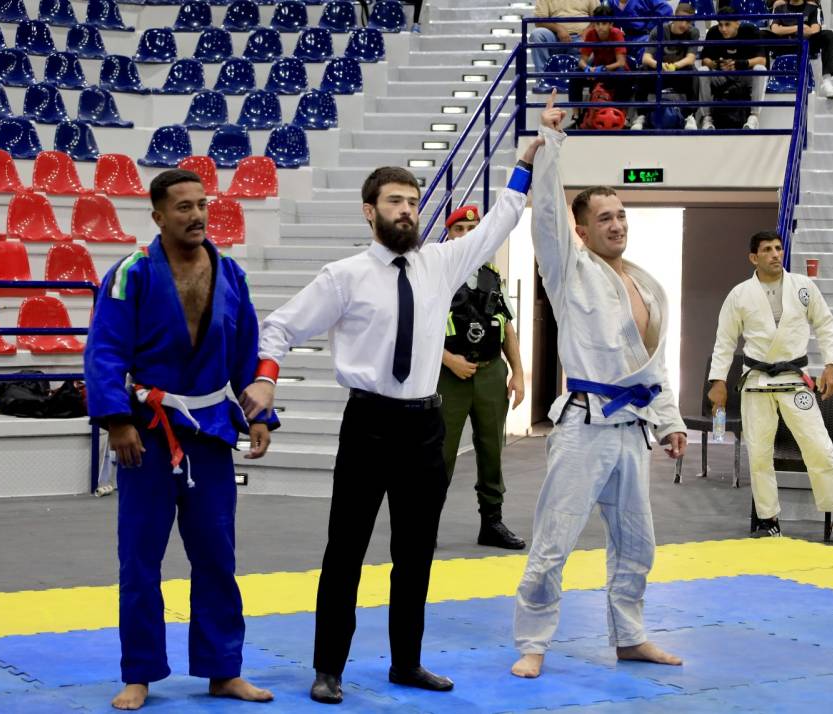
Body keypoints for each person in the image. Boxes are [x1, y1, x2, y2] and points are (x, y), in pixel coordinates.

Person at [239, 146, 542, 704]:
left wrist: (524, 165)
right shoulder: (344, 277)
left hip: (424, 425)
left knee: (416, 552)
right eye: (395, 201)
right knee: (345, 550)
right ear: (369, 211)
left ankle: (407, 662)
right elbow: (278, 327)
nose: (406, 211)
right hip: (369, 423)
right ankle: (328, 668)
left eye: (413, 202)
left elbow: (498, 222)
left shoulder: (441, 264)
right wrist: (266, 378)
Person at [84, 169, 278, 711]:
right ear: (158, 216)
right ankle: (139, 674)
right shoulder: (131, 274)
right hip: (147, 433)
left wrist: (260, 415)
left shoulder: (230, 274)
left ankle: (223, 670)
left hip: (210, 432)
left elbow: (247, 350)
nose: (197, 216)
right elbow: (104, 350)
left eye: (202, 205)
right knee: (139, 560)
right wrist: (117, 421)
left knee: (217, 555)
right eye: (183, 207)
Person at [511, 92, 688, 680]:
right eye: (604, 218)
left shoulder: (646, 286)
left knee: (638, 543)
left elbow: (652, 367)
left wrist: (670, 420)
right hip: (584, 425)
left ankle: (630, 637)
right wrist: (551, 144)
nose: (617, 224)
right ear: (582, 231)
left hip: (633, 429)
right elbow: (546, 219)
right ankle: (533, 642)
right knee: (553, 540)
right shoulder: (569, 271)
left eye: (621, 215)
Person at [706, 231, 833, 548]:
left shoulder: (803, 286)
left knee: (819, 446)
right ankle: (769, 519)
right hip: (756, 380)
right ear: (754, 257)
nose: (776, 254)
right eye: (767, 250)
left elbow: (825, 323)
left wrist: (831, 364)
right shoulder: (740, 294)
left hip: (794, 379)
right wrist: (717, 381)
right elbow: (725, 340)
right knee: (759, 453)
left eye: (778, 248)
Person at [438, 205, 527, 550]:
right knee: (441, 453)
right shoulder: (437, 273)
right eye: (459, 229)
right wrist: (449, 360)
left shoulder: (491, 274)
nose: (466, 235)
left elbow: (507, 327)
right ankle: (425, 525)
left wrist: (517, 373)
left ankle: (491, 522)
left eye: (472, 229)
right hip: (449, 376)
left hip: (490, 372)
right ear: (449, 235)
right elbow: (418, 330)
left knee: (492, 450)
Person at [697, 7, 767, 130]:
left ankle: (754, 116)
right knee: (703, 71)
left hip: (744, 76)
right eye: (720, 25)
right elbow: (705, 60)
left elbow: (762, 60)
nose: (723, 29)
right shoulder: (713, 32)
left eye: (727, 24)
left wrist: (739, 64)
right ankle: (707, 118)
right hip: (721, 75)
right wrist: (716, 64)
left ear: (737, 23)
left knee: (760, 69)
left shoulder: (751, 31)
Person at [636, 2, 702, 130]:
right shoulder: (659, 30)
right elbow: (646, 58)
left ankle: (690, 116)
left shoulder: (693, 32)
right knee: (642, 71)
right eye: (681, 19)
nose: (684, 24)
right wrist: (659, 65)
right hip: (659, 72)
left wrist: (674, 66)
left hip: (679, 73)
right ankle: (641, 116)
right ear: (674, 17)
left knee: (693, 72)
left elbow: (690, 59)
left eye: (688, 21)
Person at [567, 5, 631, 128]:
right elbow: (582, 61)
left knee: (623, 74)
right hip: (598, 71)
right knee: (575, 74)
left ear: (611, 24)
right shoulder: (591, 34)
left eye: (604, 23)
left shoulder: (617, 34)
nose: (600, 27)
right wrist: (587, 69)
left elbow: (621, 62)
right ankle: (576, 116)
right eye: (597, 23)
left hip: (614, 71)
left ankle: (623, 116)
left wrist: (603, 69)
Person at [769, 0, 833, 99]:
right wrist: (799, 28)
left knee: (828, 35)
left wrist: (785, 30)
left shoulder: (813, 8)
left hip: (806, 45)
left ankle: (827, 81)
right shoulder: (779, 8)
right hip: (785, 45)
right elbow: (775, 29)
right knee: (762, 35)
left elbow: (815, 29)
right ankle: (762, 78)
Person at [530, 0, 600, 92]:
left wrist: (587, 31)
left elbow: (598, 16)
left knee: (591, 40)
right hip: (554, 37)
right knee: (537, 35)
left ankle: (583, 81)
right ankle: (543, 80)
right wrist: (558, 29)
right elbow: (539, 20)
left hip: (581, 37)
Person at [602, 0, 672, 66]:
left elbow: (666, 9)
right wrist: (615, 32)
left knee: (647, 53)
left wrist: (650, 27)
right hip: (624, 38)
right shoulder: (610, 2)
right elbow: (603, 17)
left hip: (644, 37)